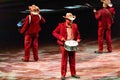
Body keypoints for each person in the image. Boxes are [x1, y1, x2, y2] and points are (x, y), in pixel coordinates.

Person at [52, 13, 80, 80]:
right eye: (69, 20)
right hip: (64, 44)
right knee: (64, 59)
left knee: (72, 59)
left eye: (72, 20)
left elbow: (78, 34)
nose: (71, 22)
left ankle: (73, 73)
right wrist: (60, 37)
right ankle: (63, 75)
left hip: (72, 44)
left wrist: (78, 39)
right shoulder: (61, 25)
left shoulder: (75, 25)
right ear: (66, 20)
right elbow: (54, 32)